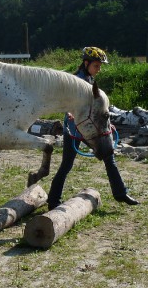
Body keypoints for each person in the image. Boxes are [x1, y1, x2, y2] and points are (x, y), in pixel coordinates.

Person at [47, 47, 140, 210]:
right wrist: (69, 112)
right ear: (86, 63)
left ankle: (120, 193)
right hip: (75, 130)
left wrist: (105, 123)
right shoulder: (74, 81)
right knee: (66, 165)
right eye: (96, 65)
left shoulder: (90, 81)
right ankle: (53, 201)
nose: (99, 69)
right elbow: (63, 101)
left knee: (109, 157)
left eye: (100, 66)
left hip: (92, 130)